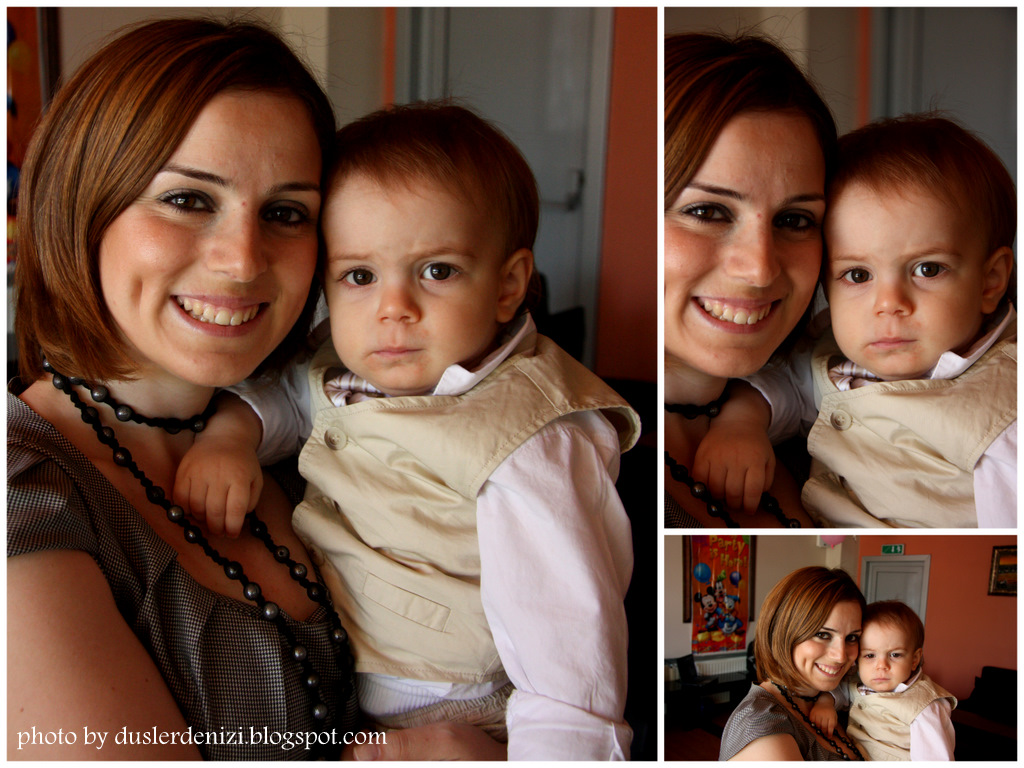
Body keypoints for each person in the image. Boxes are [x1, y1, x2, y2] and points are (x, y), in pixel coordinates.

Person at [7, 19, 500, 761]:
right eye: (188, 200)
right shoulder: (24, 495)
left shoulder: (330, 421)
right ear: (83, 204)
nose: (242, 261)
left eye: (285, 213)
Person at [174, 102, 642, 760]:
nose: (393, 309)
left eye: (436, 271)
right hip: (352, 686)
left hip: (469, 711)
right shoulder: (348, 369)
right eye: (360, 276)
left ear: (508, 286)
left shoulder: (528, 438)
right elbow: (287, 398)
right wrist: (230, 437)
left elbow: (570, 644)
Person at [699, 115, 1016, 526]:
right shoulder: (830, 355)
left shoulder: (1005, 413)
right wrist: (740, 425)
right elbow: (782, 385)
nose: (889, 304)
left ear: (990, 281)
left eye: (927, 269)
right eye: (858, 275)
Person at [663, 32, 837, 527]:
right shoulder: (580, 463)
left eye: (795, 220)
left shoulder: (838, 434)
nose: (760, 269)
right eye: (707, 211)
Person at [719, 566, 867, 761]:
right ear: (783, 632)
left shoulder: (837, 697)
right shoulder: (763, 726)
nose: (840, 656)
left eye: (852, 638)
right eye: (823, 635)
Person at [809, 600, 957, 760]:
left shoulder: (924, 707)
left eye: (895, 655)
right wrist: (825, 703)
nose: (881, 666)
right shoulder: (858, 682)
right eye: (870, 655)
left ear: (914, 659)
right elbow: (840, 692)